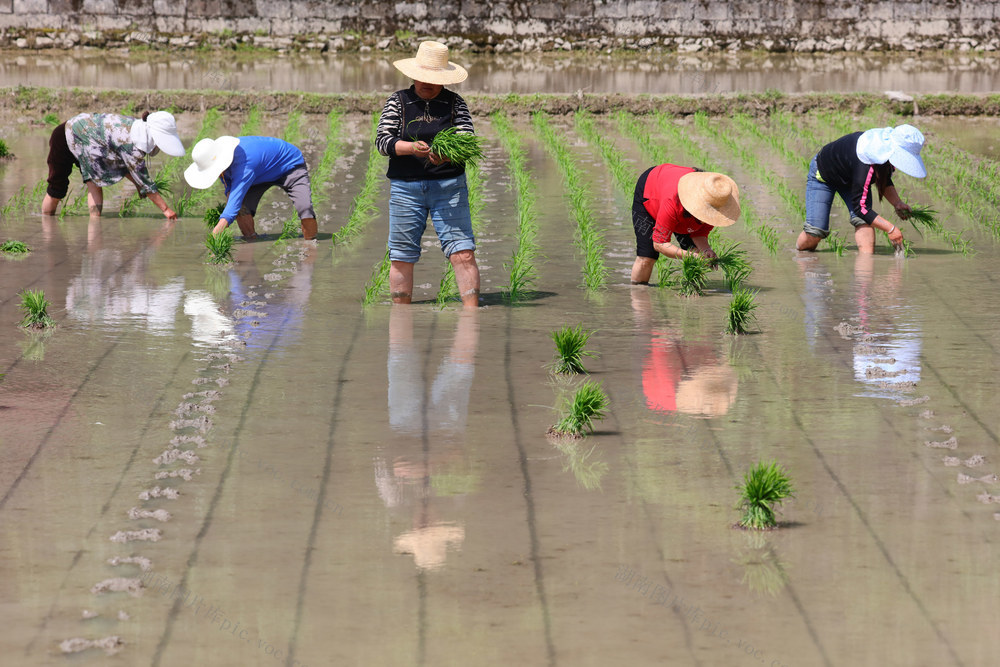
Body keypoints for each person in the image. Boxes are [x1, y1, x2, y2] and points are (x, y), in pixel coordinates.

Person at [375, 40, 480, 308]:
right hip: (406, 189)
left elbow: (467, 142)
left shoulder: (455, 104)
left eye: (434, 79)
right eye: (423, 78)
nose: (427, 84)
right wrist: (411, 148)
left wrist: (446, 155)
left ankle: (472, 316)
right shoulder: (399, 101)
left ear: (444, 80)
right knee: (401, 256)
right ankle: (401, 317)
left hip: (449, 187)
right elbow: (383, 142)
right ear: (414, 75)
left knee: (463, 253)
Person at [796, 124, 926, 254]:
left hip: (853, 180)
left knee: (864, 221)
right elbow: (861, 208)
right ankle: (799, 254)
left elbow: (884, 179)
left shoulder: (883, 156)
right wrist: (890, 229)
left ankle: (865, 268)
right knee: (815, 232)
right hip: (824, 177)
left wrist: (897, 203)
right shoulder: (866, 158)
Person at [41, 111, 184, 219]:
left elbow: (125, 167)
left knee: (95, 182)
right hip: (65, 136)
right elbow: (145, 183)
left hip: (88, 141)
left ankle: (95, 226)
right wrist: (166, 210)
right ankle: (46, 224)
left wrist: (138, 185)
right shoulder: (132, 144)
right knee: (57, 189)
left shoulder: (136, 129)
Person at [184, 136, 318, 241]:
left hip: (289, 166)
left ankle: (310, 245)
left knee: (304, 207)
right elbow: (233, 199)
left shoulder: (244, 164)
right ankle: (251, 239)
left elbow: (230, 210)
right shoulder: (223, 167)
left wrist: (214, 235)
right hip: (259, 175)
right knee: (241, 207)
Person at [629, 164, 741, 285]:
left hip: (678, 204)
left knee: (697, 252)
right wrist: (690, 256)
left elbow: (699, 233)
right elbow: (659, 244)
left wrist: (706, 249)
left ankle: (695, 295)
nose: (708, 219)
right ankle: (638, 294)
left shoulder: (715, 205)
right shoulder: (672, 203)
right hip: (650, 189)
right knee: (647, 256)